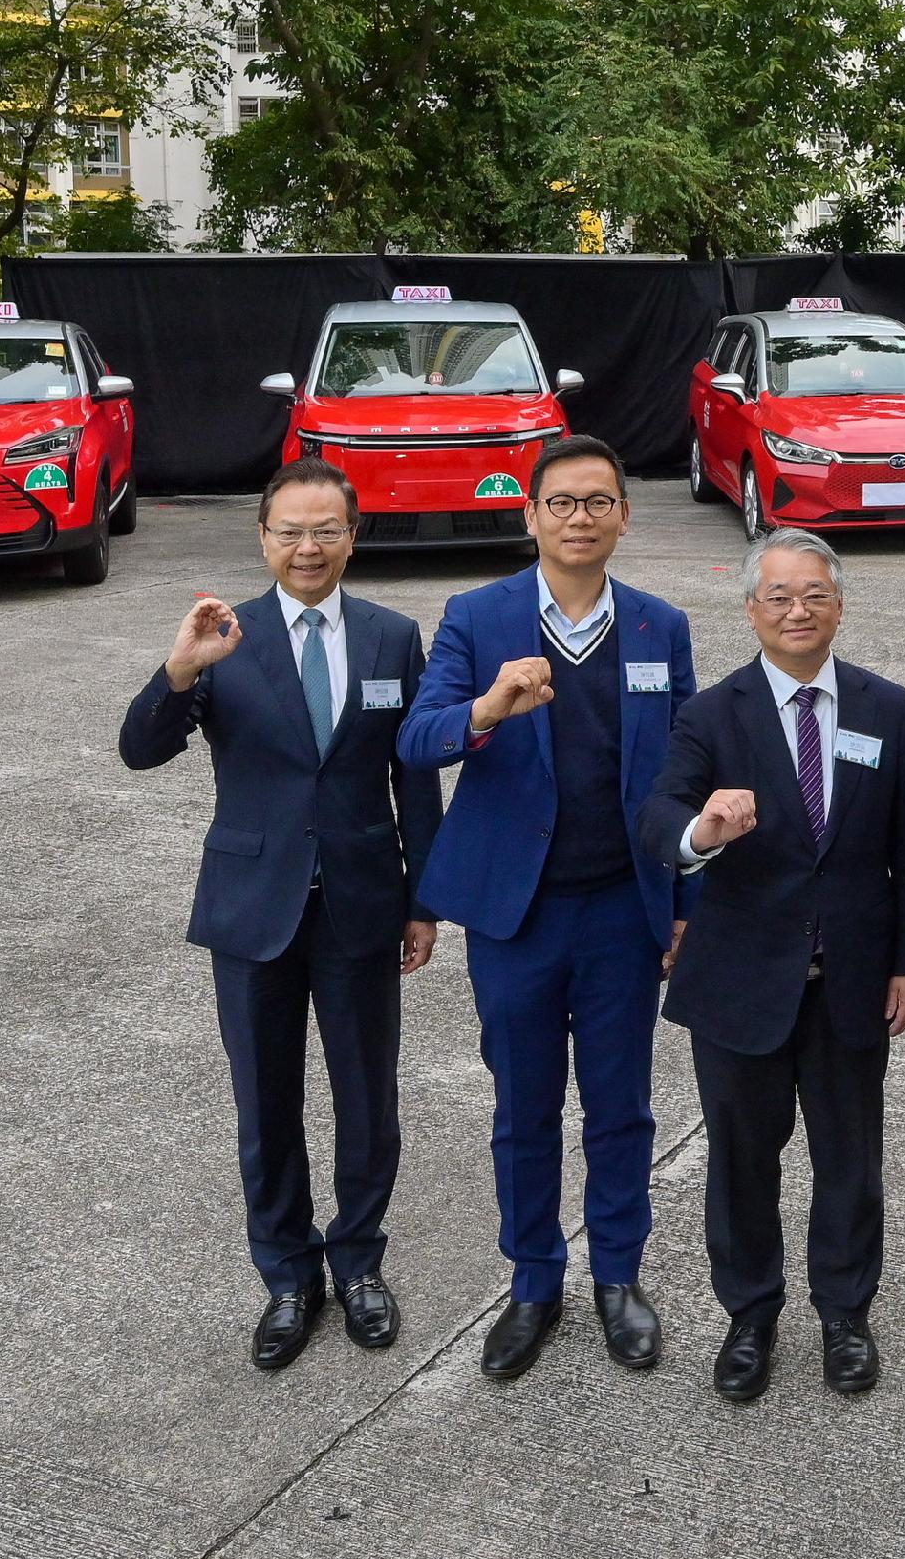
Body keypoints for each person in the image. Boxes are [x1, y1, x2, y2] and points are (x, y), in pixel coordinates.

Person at [118, 455, 446, 1371]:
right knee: (266, 1103)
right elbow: (141, 749)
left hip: (362, 904)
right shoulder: (224, 635)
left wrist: (425, 899)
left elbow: (412, 777)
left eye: (326, 529)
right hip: (252, 905)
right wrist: (178, 669)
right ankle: (288, 1275)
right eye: (290, 531)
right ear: (264, 538)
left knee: (367, 1098)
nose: (308, 547)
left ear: (353, 534)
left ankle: (360, 1263)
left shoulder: (391, 636)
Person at [400, 434, 697, 1381]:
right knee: (524, 1105)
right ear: (530, 516)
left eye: (596, 501)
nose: (579, 517)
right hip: (515, 916)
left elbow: (686, 770)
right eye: (560, 502)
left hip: (621, 908)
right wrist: (487, 710)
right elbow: (417, 737)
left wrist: (684, 897)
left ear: (622, 515)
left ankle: (617, 1275)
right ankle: (534, 1280)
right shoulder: (478, 616)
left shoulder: (659, 626)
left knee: (620, 1107)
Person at [644, 529, 905, 1404]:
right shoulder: (710, 714)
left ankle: (846, 1313)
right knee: (741, 1159)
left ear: (840, 605)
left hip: (852, 978)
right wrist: (703, 830)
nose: (798, 610)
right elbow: (660, 812)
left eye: (814, 594)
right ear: (751, 610)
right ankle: (751, 1314)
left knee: (851, 1157)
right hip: (740, 983)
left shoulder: (886, 708)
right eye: (779, 596)